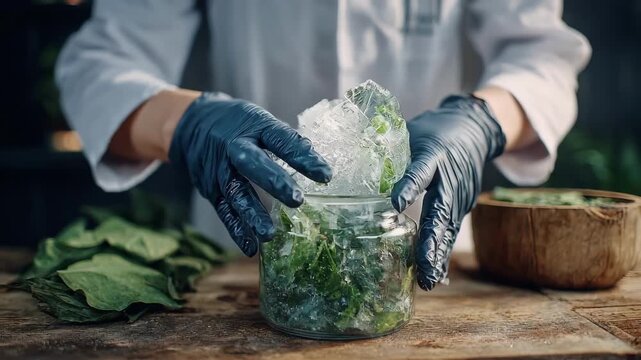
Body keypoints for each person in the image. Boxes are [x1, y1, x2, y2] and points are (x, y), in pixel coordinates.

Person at [55, 0, 590, 291]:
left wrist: (481, 120)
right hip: (245, 257)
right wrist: (185, 124)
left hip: (418, 242)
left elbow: (542, 53)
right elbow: (98, 65)